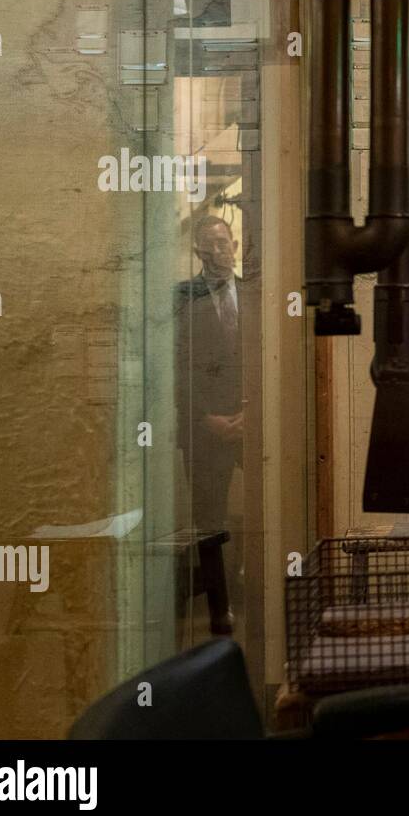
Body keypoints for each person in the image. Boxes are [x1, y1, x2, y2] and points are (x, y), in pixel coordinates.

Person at [175, 214, 247, 633]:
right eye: (208, 246)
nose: (217, 252)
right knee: (210, 520)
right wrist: (206, 418)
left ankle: (260, 589)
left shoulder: (255, 292)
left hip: (253, 418)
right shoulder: (182, 296)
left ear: (235, 245)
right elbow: (177, 365)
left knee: (272, 500)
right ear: (197, 252)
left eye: (223, 244)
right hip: (205, 429)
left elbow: (268, 356)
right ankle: (221, 609)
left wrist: (252, 413)